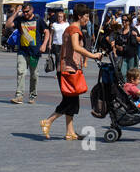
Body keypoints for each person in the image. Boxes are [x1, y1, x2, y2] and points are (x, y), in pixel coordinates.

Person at [40, 7, 102, 136]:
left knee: (71, 100)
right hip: (69, 70)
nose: (88, 19)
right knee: (70, 102)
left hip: (66, 68)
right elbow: (76, 47)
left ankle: (70, 132)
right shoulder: (74, 30)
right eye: (87, 16)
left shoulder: (69, 29)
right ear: (79, 16)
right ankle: (48, 121)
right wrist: (93, 55)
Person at [8, 3, 46, 104]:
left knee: (34, 75)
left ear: (32, 10)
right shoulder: (20, 19)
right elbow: (8, 25)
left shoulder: (38, 19)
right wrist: (16, 12)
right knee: (20, 72)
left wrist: (44, 44)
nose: (25, 13)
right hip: (22, 51)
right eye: (24, 11)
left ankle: (33, 95)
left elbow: (47, 31)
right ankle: (19, 96)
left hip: (34, 52)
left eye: (27, 11)